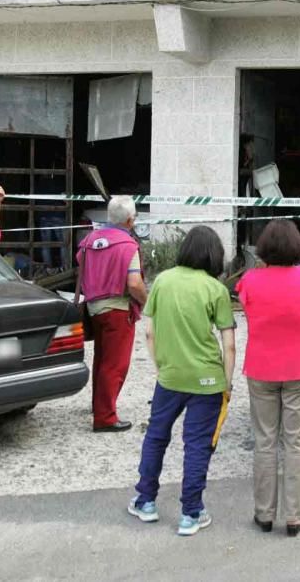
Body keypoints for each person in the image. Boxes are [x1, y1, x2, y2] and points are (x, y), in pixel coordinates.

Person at [128, 226, 237, 537]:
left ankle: (145, 501)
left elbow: (149, 332)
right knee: (198, 445)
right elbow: (228, 343)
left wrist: (160, 367)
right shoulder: (215, 289)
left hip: (170, 377)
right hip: (208, 381)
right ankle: (191, 513)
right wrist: (227, 383)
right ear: (215, 255)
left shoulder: (162, 281)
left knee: (156, 437)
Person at [236, 220, 300, 537]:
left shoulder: (249, 281)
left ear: (263, 249)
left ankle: (264, 514)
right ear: (297, 248)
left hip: (261, 367)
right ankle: (294, 516)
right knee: (296, 442)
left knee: (265, 441)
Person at [76, 196, 147, 433]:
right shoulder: (128, 246)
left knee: (101, 359)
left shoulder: (88, 240)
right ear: (129, 220)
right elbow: (135, 284)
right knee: (115, 364)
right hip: (118, 308)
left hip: (94, 308)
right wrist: (147, 302)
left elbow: (80, 265)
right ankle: (105, 417)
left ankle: (99, 405)